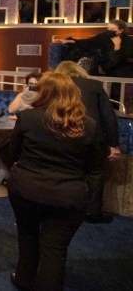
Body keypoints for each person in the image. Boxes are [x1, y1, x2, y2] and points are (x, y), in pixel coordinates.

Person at [6, 72, 102, 291]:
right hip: (68, 196)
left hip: (26, 190)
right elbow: (93, 166)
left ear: (45, 92)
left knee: (28, 236)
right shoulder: (89, 125)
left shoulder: (28, 118)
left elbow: (13, 153)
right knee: (55, 249)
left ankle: (24, 278)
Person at [54, 61, 120, 224]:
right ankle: (92, 212)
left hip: (62, 135)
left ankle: (61, 206)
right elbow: (108, 117)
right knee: (95, 173)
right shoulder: (95, 85)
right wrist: (114, 144)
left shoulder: (56, 85)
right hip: (93, 137)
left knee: (62, 170)